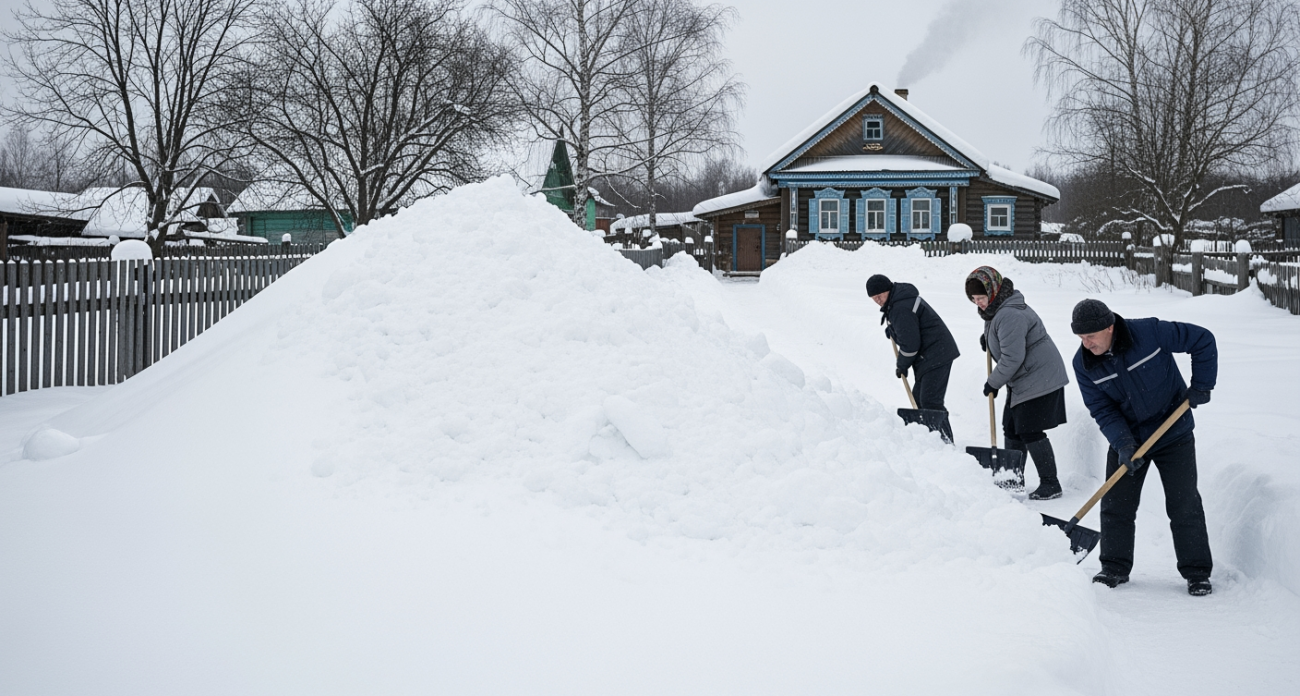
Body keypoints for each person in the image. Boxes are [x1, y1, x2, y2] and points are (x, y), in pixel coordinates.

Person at [1070, 299, 1217, 596]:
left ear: (1110, 327)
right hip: (1129, 438)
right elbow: (1101, 408)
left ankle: (1197, 572)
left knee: (1183, 503)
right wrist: (1123, 443)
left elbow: (1202, 339)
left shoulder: (1149, 333)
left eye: (1091, 336)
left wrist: (1202, 384)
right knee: (1116, 505)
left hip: (1173, 432)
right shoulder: (1084, 364)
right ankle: (1114, 567)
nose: (1086, 344)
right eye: (1081, 338)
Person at [965, 267, 1070, 500]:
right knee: (1011, 426)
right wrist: (991, 340)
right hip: (1024, 376)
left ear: (992, 292)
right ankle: (1011, 477)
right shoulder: (996, 308)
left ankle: (1051, 484)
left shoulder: (1009, 314)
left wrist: (993, 383)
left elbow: (1013, 358)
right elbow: (1006, 338)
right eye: (974, 300)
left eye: (981, 298)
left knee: (1030, 429)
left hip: (1038, 377)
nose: (979, 304)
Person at [867, 274, 959, 412]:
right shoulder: (898, 301)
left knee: (930, 401)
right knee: (919, 399)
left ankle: (941, 434)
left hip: (937, 353)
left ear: (888, 289)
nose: (878, 300)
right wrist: (893, 330)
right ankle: (927, 433)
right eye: (874, 299)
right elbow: (911, 329)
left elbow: (910, 345)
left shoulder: (900, 307)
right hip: (931, 353)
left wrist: (902, 365)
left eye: (880, 295)